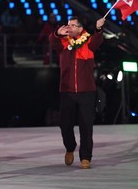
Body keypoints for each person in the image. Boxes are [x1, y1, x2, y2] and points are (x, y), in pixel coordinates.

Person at [48, 16, 105, 169]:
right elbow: (52, 42)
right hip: (67, 90)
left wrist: (98, 29)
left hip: (87, 91)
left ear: (80, 29)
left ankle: (86, 157)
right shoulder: (64, 42)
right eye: (68, 25)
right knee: (64, 124)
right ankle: (70, 147)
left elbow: (97, 41)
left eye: (73, 25)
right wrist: (57, 34)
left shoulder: (88, 41)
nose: (69, 27)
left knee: (86, 125)